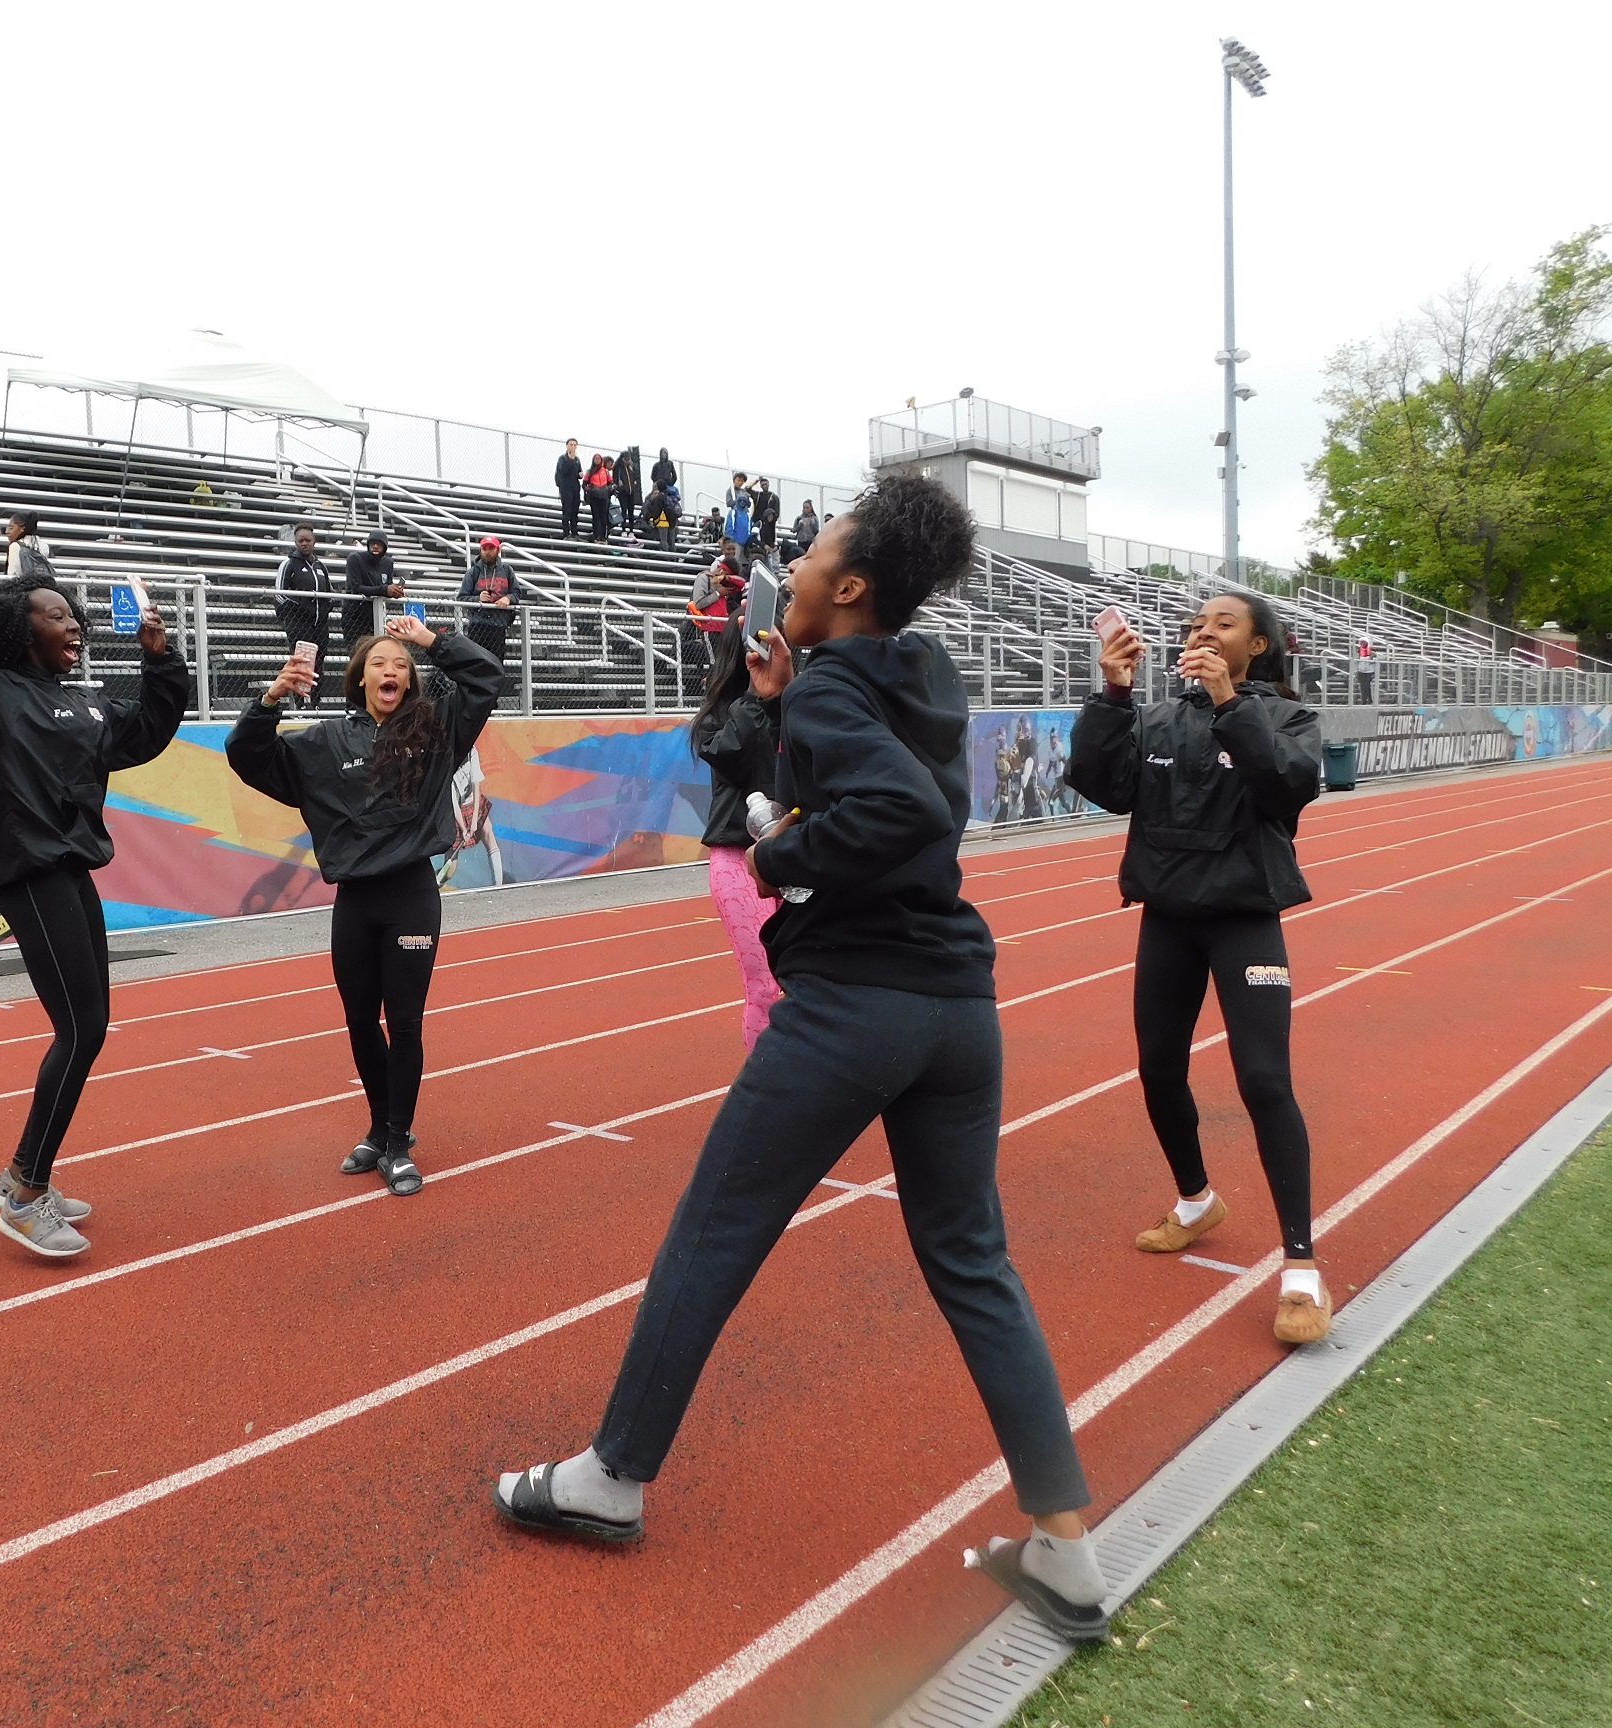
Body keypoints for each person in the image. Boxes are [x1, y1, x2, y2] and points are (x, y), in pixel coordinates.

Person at [494, 473, 1110, 1647]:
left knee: (712, 1234)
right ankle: (1067, 1550)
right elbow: (914, 786)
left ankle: (610, 1477)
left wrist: (781, 858)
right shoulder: (915, 673)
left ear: (852, 587)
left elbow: (895, 814)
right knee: (974, 1261)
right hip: (956, 1007)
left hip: (851, 1007)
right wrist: (786, 706)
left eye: (814, 552)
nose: (795, 565)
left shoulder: (831, 689)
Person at [0, 515, 191, 1258]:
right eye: (55, 614)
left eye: (74, 615)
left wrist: (159, 658)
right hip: (28, 871)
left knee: (88, 1026)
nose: (72, 624)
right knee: (83, 1030)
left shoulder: (91, 704)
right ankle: (26, 1188)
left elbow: (151, 730)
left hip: (71, 869)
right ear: (20, 628)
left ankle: (22, 1178)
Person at [1065, 590, 1331, 1346]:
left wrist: (1228, 702)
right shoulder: (1153, 716)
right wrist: (1113, 691)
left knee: (1263, 1081)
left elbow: (1285, 787)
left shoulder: (1287, 718)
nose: (1202, 633)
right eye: (1196, 625)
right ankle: (1193, 1202)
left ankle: (1303, 1267)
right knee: (1157, 1069)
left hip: (1245, 918)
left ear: (1258, 647)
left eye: (1224, 625)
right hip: (1169, 916)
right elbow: (1101, 783)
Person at [225, 615, 502, 1195]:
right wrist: (272, 695)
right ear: (359, 678)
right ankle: (380, 1127)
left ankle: (399, 1142)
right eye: (380, 663)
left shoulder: (433, 730)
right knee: (358, 1019)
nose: (392, 671)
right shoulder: (324, 743)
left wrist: (430, 640)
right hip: (353, 902)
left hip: (411, 898)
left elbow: (485, 678)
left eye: (401, 665)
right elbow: (247, 755)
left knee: (403, 1021)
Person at [691, 616, 782, 1049]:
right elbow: (730, 754)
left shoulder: (799, 704)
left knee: (805, 984)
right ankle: (770, 1093)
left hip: (800, 857)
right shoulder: (719, 718)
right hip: (737, 861)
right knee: (765, 986)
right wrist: (755, 695)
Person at [271, 523, 333, 704]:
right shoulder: (289, 564)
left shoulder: (321, 566)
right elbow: (280, 594)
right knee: (300, 663)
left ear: (315, 542)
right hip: (298, 623)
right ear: (295, 542)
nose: (304, 544)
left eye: (308, 540)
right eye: (301, 541)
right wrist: (298, 609)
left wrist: (325, 609)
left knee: (319, 663)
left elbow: (329, 592)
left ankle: (316, 703)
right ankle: (299, 705)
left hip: (320, 624)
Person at [458, 535, 518, 665]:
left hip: (498, 626)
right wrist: (477, 599)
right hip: (477, 625)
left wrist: (508, 598)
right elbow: (461, 598)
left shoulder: (507, 571)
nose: (488, 551)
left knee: (496, 665)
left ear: (498, 550)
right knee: (475, 664)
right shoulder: (472, 572)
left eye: (491, 548)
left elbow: (517, 593)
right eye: (485, 548)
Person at [343, 528, 406, 648]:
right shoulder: (355, 559)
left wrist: (394, 591)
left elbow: (386, 587)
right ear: (368, 544)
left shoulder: (388, 563)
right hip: (354, 617)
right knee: (358, 657)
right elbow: (355, 587)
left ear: (385, 547)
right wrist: (385, 589)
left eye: (379, 544)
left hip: (376, 616)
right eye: (373, 543)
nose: (376, 546)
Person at [5, 510, 56, 583]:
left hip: (25, 588)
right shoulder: (44, 546)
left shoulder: (15, 546)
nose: (7, 532)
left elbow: (13, 574)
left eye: (11, 528)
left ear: (22, 528)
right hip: (44, 586)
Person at [555, 439, 583, 540]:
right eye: (571, 445)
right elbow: (562, 471)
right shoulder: (563, 458)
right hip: (566, 488)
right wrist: (570, 460)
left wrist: (581, 475)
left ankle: (575, 532)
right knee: (567, 510)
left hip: (575, 488)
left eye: (575, 445)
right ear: (567, 446)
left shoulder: (577, 459)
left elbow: (578, 472)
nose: (573, 447)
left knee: (575, 511)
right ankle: (566, 532)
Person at [585, 454, 616, 543]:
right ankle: (596, 536)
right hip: (594, 497)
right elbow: (584, 483)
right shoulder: (590, 471)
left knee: (603, 517)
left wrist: (608, 489)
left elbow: (611, 482)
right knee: (596, 517)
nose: (597, 460)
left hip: (604, 496)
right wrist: (590, 489)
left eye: (598, 459)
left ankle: (603, 537)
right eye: (595, 459)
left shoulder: (605, 471)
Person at [722, 473, 755, 553]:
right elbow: (728, 503)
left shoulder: (744, 491)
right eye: (738, 480)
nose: (740, 482)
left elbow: (749, 504)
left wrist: (748, 498)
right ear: (734, 480)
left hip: (744, 516)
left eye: (742, 481)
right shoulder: (730, 491)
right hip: (737, 516)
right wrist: (737, 501)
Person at [614, 446, 643, 537]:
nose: (628, 460)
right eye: (626, 459)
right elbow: (615, 479)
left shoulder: (631, 467)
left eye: (629, 459)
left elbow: (636, 477)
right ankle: (623, 529)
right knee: (623, 510)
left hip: (631, 492)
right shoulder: (618, 468)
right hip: (623, 493)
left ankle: (631, 530)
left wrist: (635, 486)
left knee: (631, 511)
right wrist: (620, 488)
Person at [1356, 635, 1375, 704]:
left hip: (1369, 671)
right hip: (1361, 671)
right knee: (1362, 686)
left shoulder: (1371, 651)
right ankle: (1364, 700)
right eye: (1361, 643)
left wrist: (1372, 657)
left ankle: (1370, 699)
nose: (1363, 644)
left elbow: (1377, 659)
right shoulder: (1358, 652)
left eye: (1364, 642)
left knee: (1367, 685)